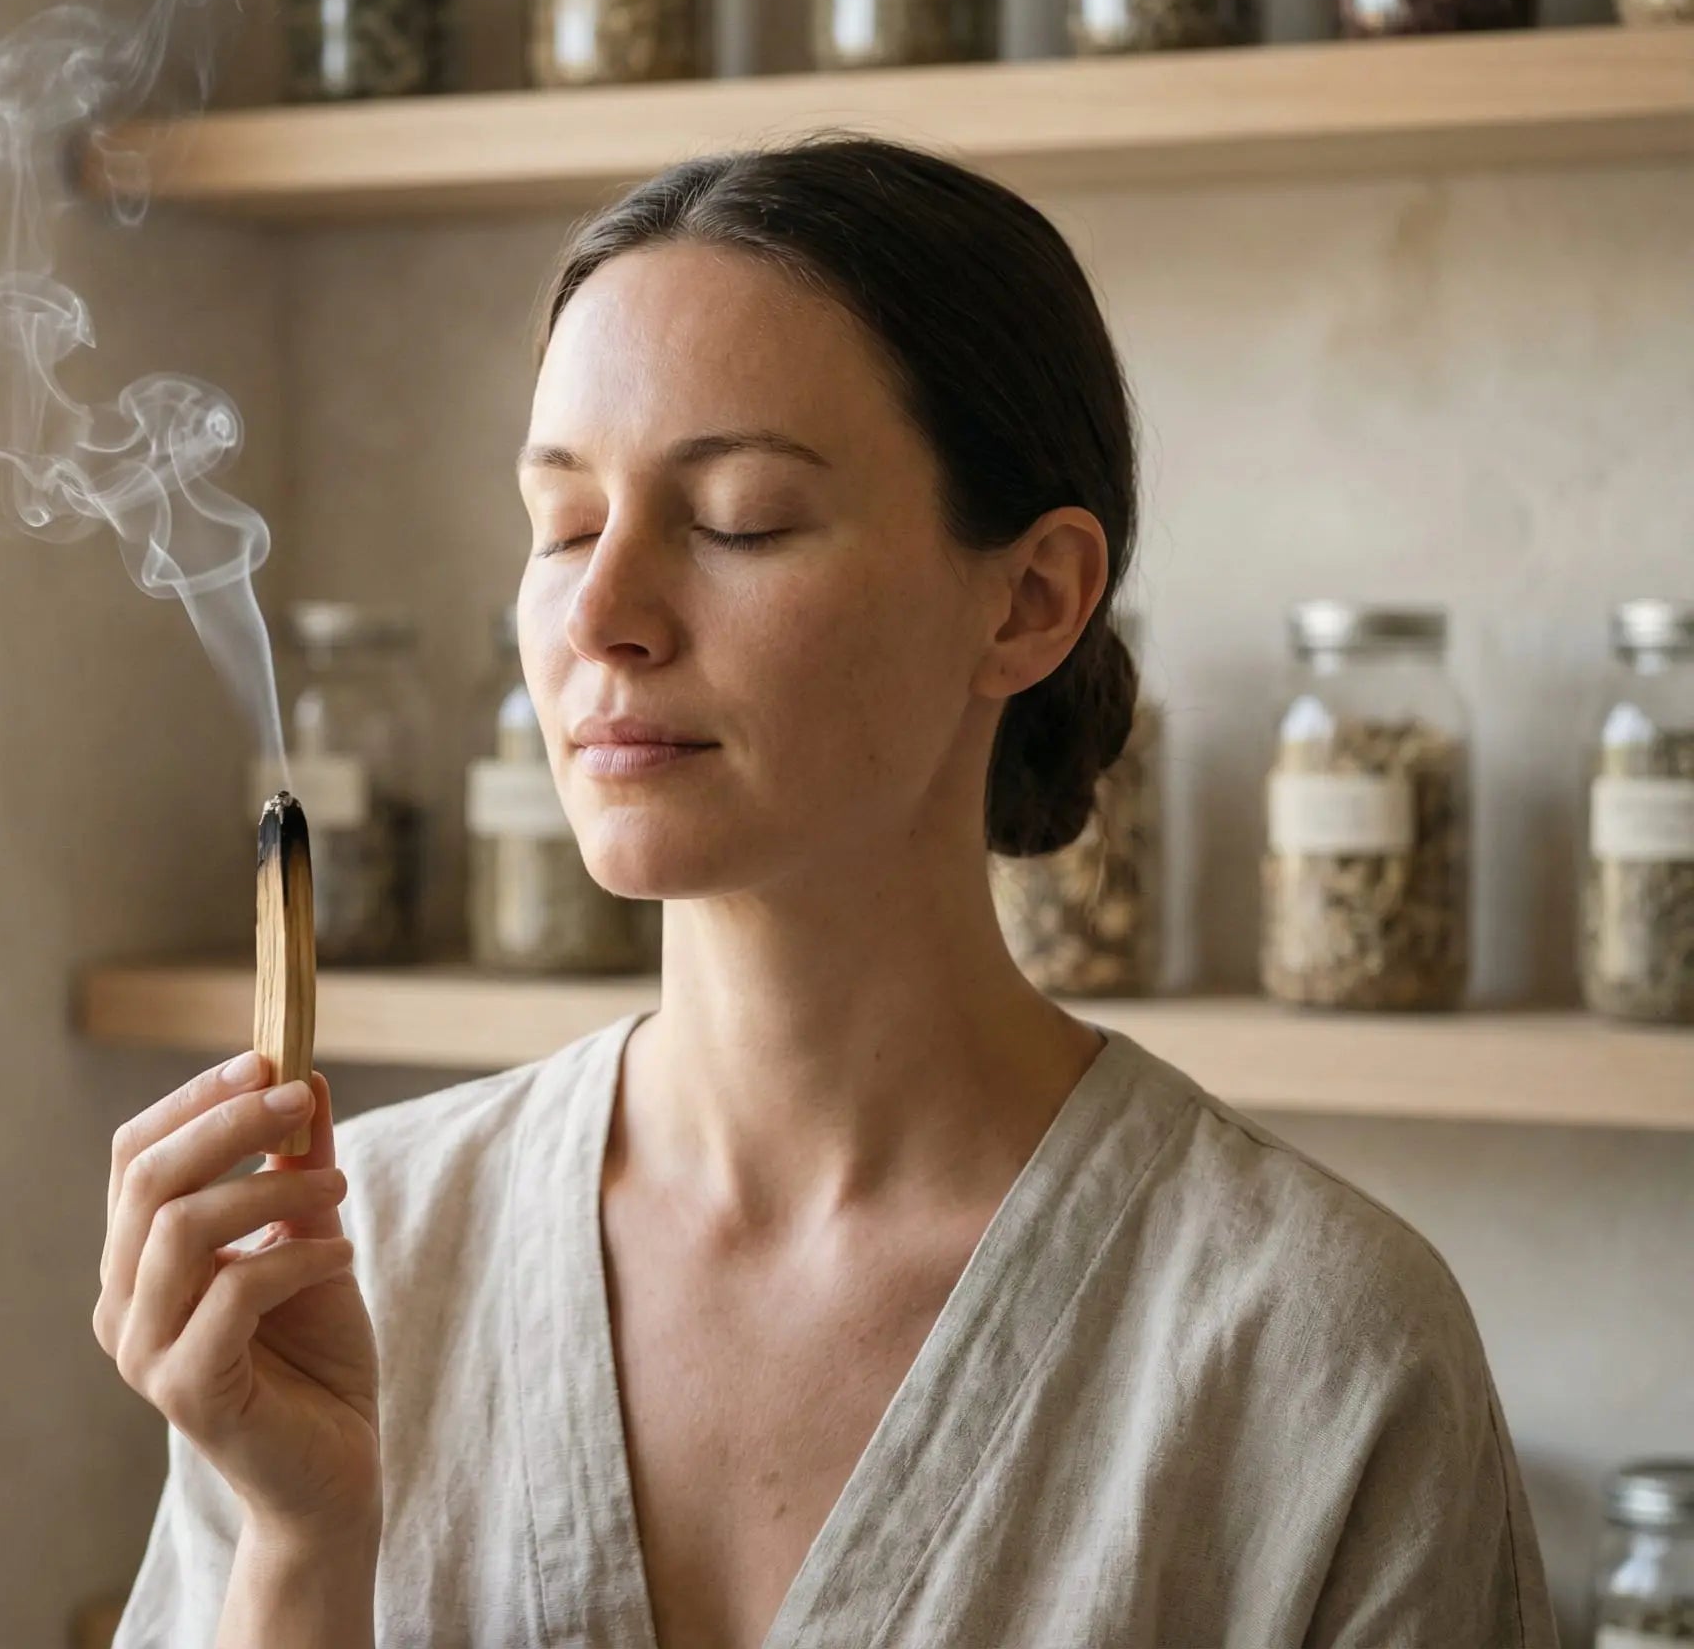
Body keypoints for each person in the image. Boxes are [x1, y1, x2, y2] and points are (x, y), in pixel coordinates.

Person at [95, 137, 1556, 1648]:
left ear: (1032, 598)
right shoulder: (354, 1256)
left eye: (739, 519)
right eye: (564, 524)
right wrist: (297, 1539)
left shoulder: (1317, 1353)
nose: (601, 615)